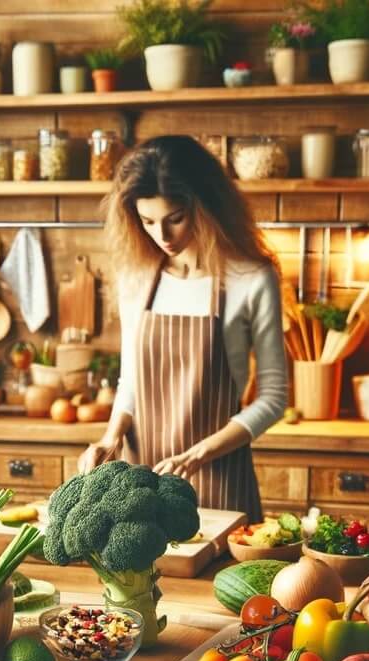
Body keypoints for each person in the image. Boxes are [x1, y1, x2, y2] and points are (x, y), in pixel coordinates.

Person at [77, 134, 288, 520]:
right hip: (140, 483)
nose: (163, 236)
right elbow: (132, 381)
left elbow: (274, 397)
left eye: (175, 218)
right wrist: (111, 437)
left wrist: (198, 454)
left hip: (220, 479)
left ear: (205, 206)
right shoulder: (136, 277)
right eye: (148, 221)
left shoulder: (251, 278)